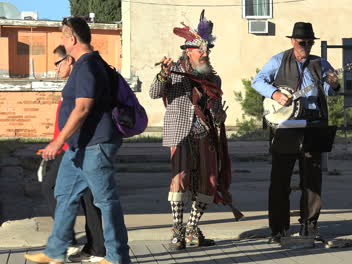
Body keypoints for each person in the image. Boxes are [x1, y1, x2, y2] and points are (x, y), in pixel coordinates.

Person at [24, 17, 130, 264]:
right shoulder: (88, 65)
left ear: (72, 39)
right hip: (80, 146)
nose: (61, 40)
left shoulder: (88, 66)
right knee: (63, 193)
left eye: (63, 36)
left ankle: (117, 257)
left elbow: (82, 108)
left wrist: (56, 142)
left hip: (96, 145)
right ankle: (55, 251)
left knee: (105, 201)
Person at [252, 22, 340, 243]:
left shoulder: (320, 63)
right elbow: (257, 81)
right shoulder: (279, 60)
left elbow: (329, 92)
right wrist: (275, 95)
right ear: (292, 41)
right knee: (280, 178)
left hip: (314, 123)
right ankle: (278, 230)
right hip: (285, 125)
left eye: (310, 42)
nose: (306, 46)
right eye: (302, 42)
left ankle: (309, 226)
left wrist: (334, 83)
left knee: (312, 178)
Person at [149, 10, 229, 251]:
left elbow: (215, 110)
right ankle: (177, 230)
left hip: (204, 132)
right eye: (200, 50)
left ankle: (193, 228)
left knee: (208, 181)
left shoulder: (214, 78)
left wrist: (220, 115)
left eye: (207, 50)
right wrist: (163, 74)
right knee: (180, 180)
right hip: (180, 132)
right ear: (188, 51)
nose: (205, 54)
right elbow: (154, 92)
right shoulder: (173, 71)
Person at [40, 45, 107, 263]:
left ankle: (76, 244)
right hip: (69, 147)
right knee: (87, 197)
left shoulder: (82, 78)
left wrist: (58, 144)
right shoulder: (72, 84)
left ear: (69, 60)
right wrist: (53, 143)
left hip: (77, 147)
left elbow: (79, 115)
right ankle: (94, 248)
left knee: (60, 190)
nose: (56, 69)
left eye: (58, 63)